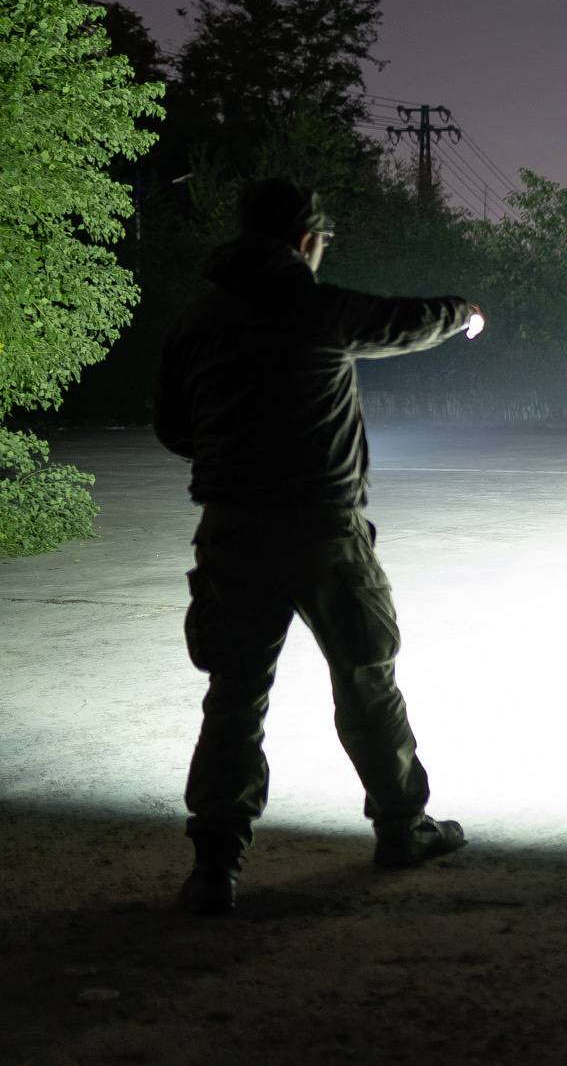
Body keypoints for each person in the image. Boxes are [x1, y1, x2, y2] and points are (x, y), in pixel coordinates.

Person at [154, 178, 485, 915]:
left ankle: (214, 865)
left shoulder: (195, 322)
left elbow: (174, 427)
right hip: (323, 528)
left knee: (234, 695)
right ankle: (401, 825)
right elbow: (406, 323)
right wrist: (464, 313)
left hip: (231, 528)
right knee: (366, 677)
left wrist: (235, 448)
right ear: (307, 239)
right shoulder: (318, 306)